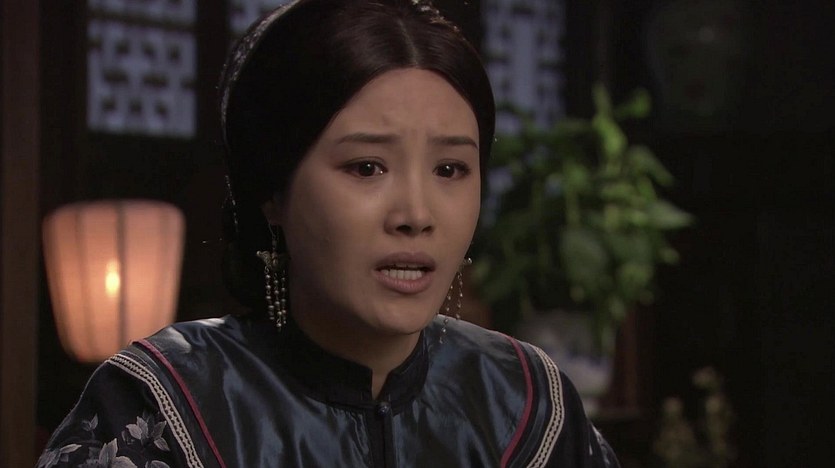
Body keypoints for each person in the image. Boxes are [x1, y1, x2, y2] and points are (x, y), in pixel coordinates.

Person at [38, 0, 620, 466]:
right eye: (367, 167)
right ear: (273, 192)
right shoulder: (164, 405)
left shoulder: (528, 406)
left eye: (450, 169)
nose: (417, 214)